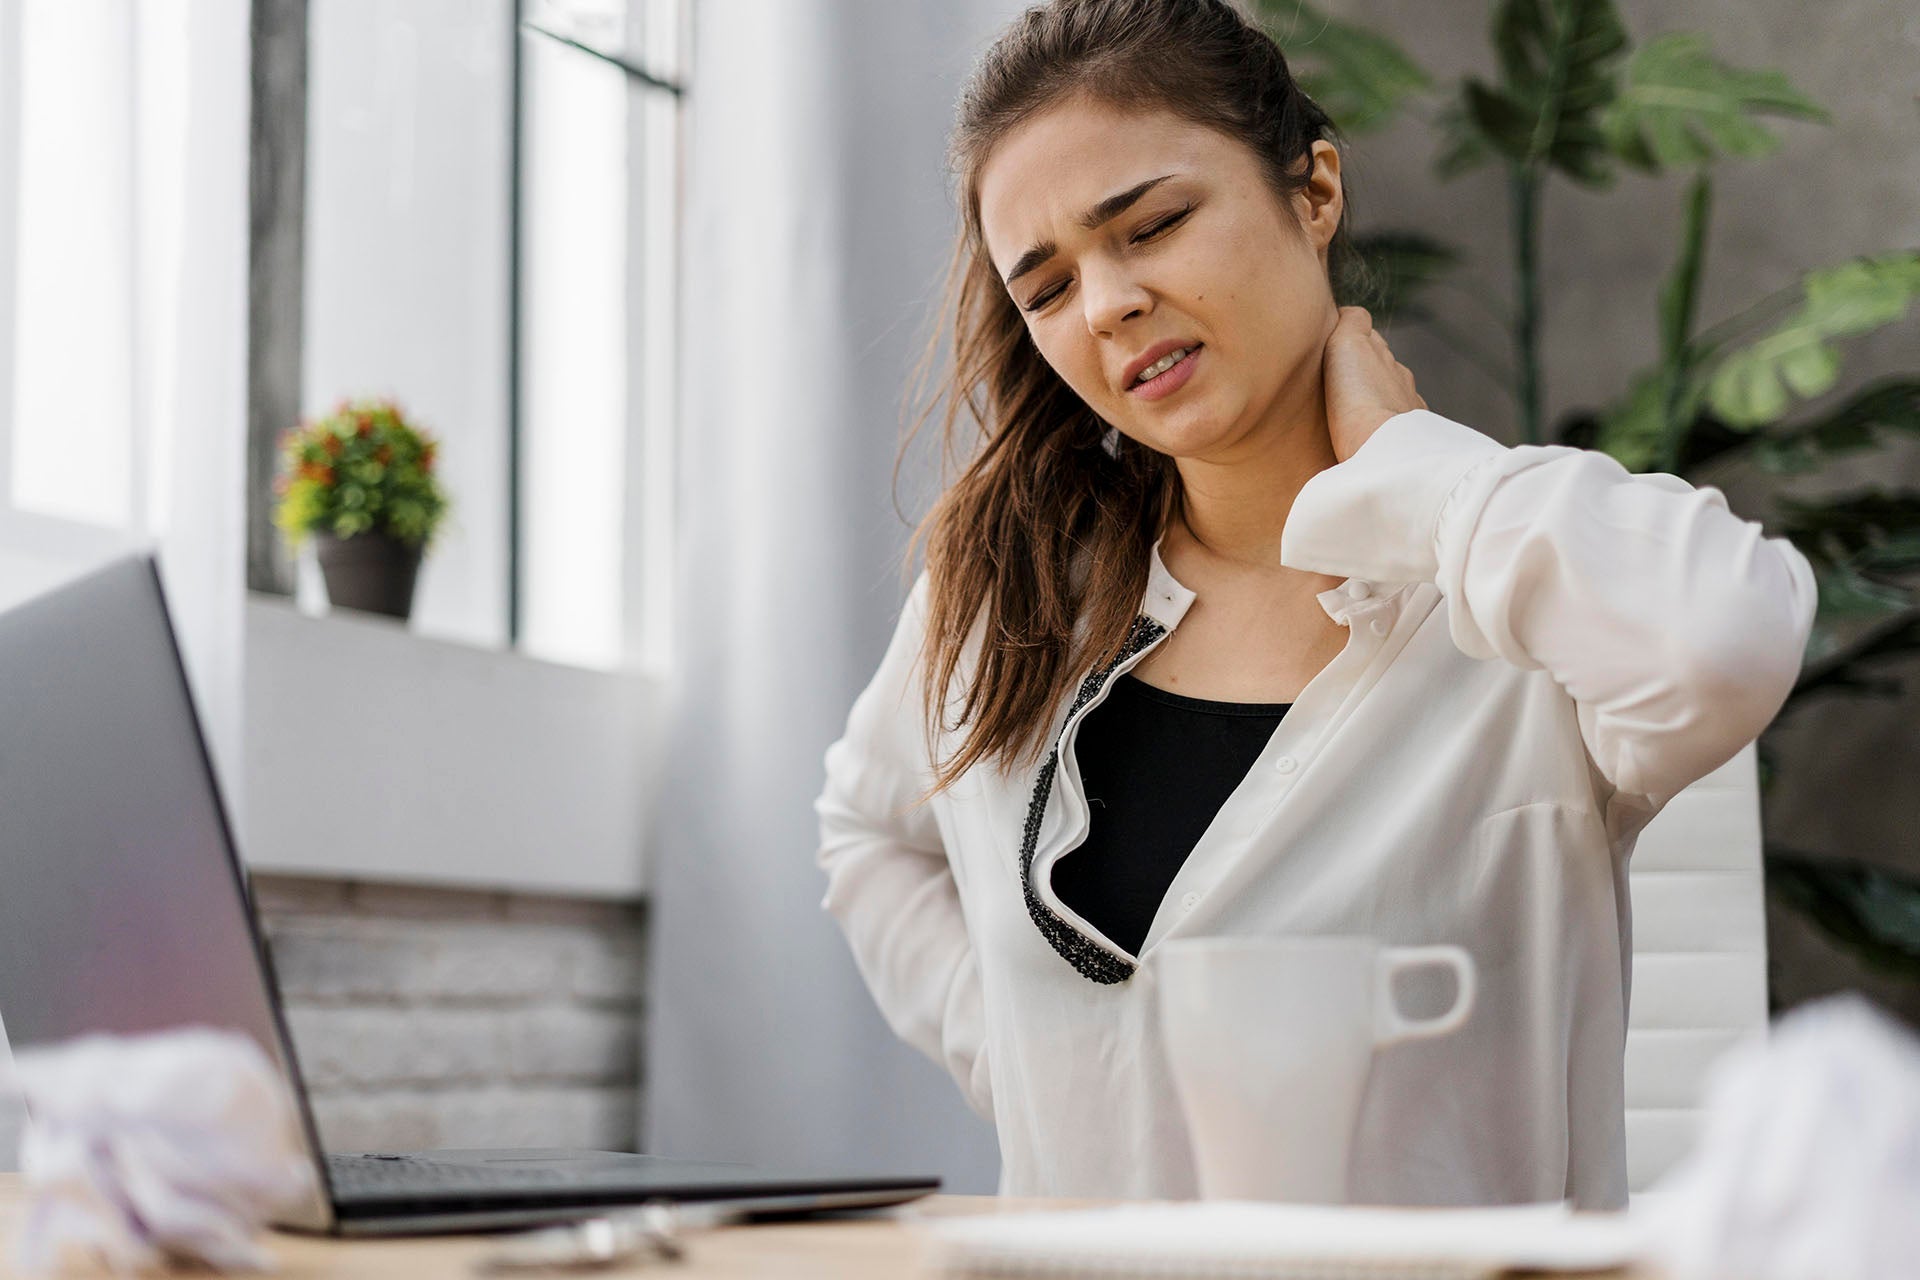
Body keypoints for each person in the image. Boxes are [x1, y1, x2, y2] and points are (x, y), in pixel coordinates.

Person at [812, 0, 1816, 1210]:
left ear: (1314, 191)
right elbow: (865, 832)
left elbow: (1729, 638)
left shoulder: (1506, 588)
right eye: (1048, 288)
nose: (1108, 305)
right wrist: (1037, 1051)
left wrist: (1412, 465)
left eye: (1155, 223)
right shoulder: (1004, 597)